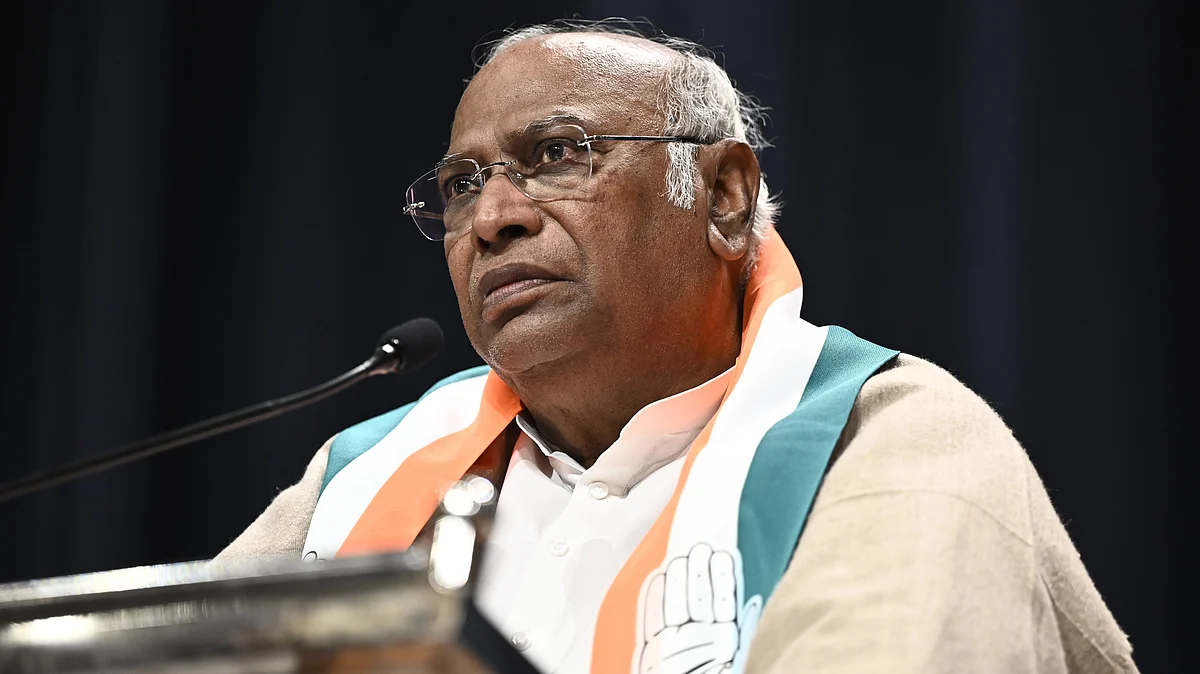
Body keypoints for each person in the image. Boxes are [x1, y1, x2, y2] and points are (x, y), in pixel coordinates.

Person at [216, 21, 1137, 674]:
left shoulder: (885, 439)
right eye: (462, 185)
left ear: (725, 196)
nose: (492, 216)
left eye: (560, 153)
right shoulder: (361, 476)